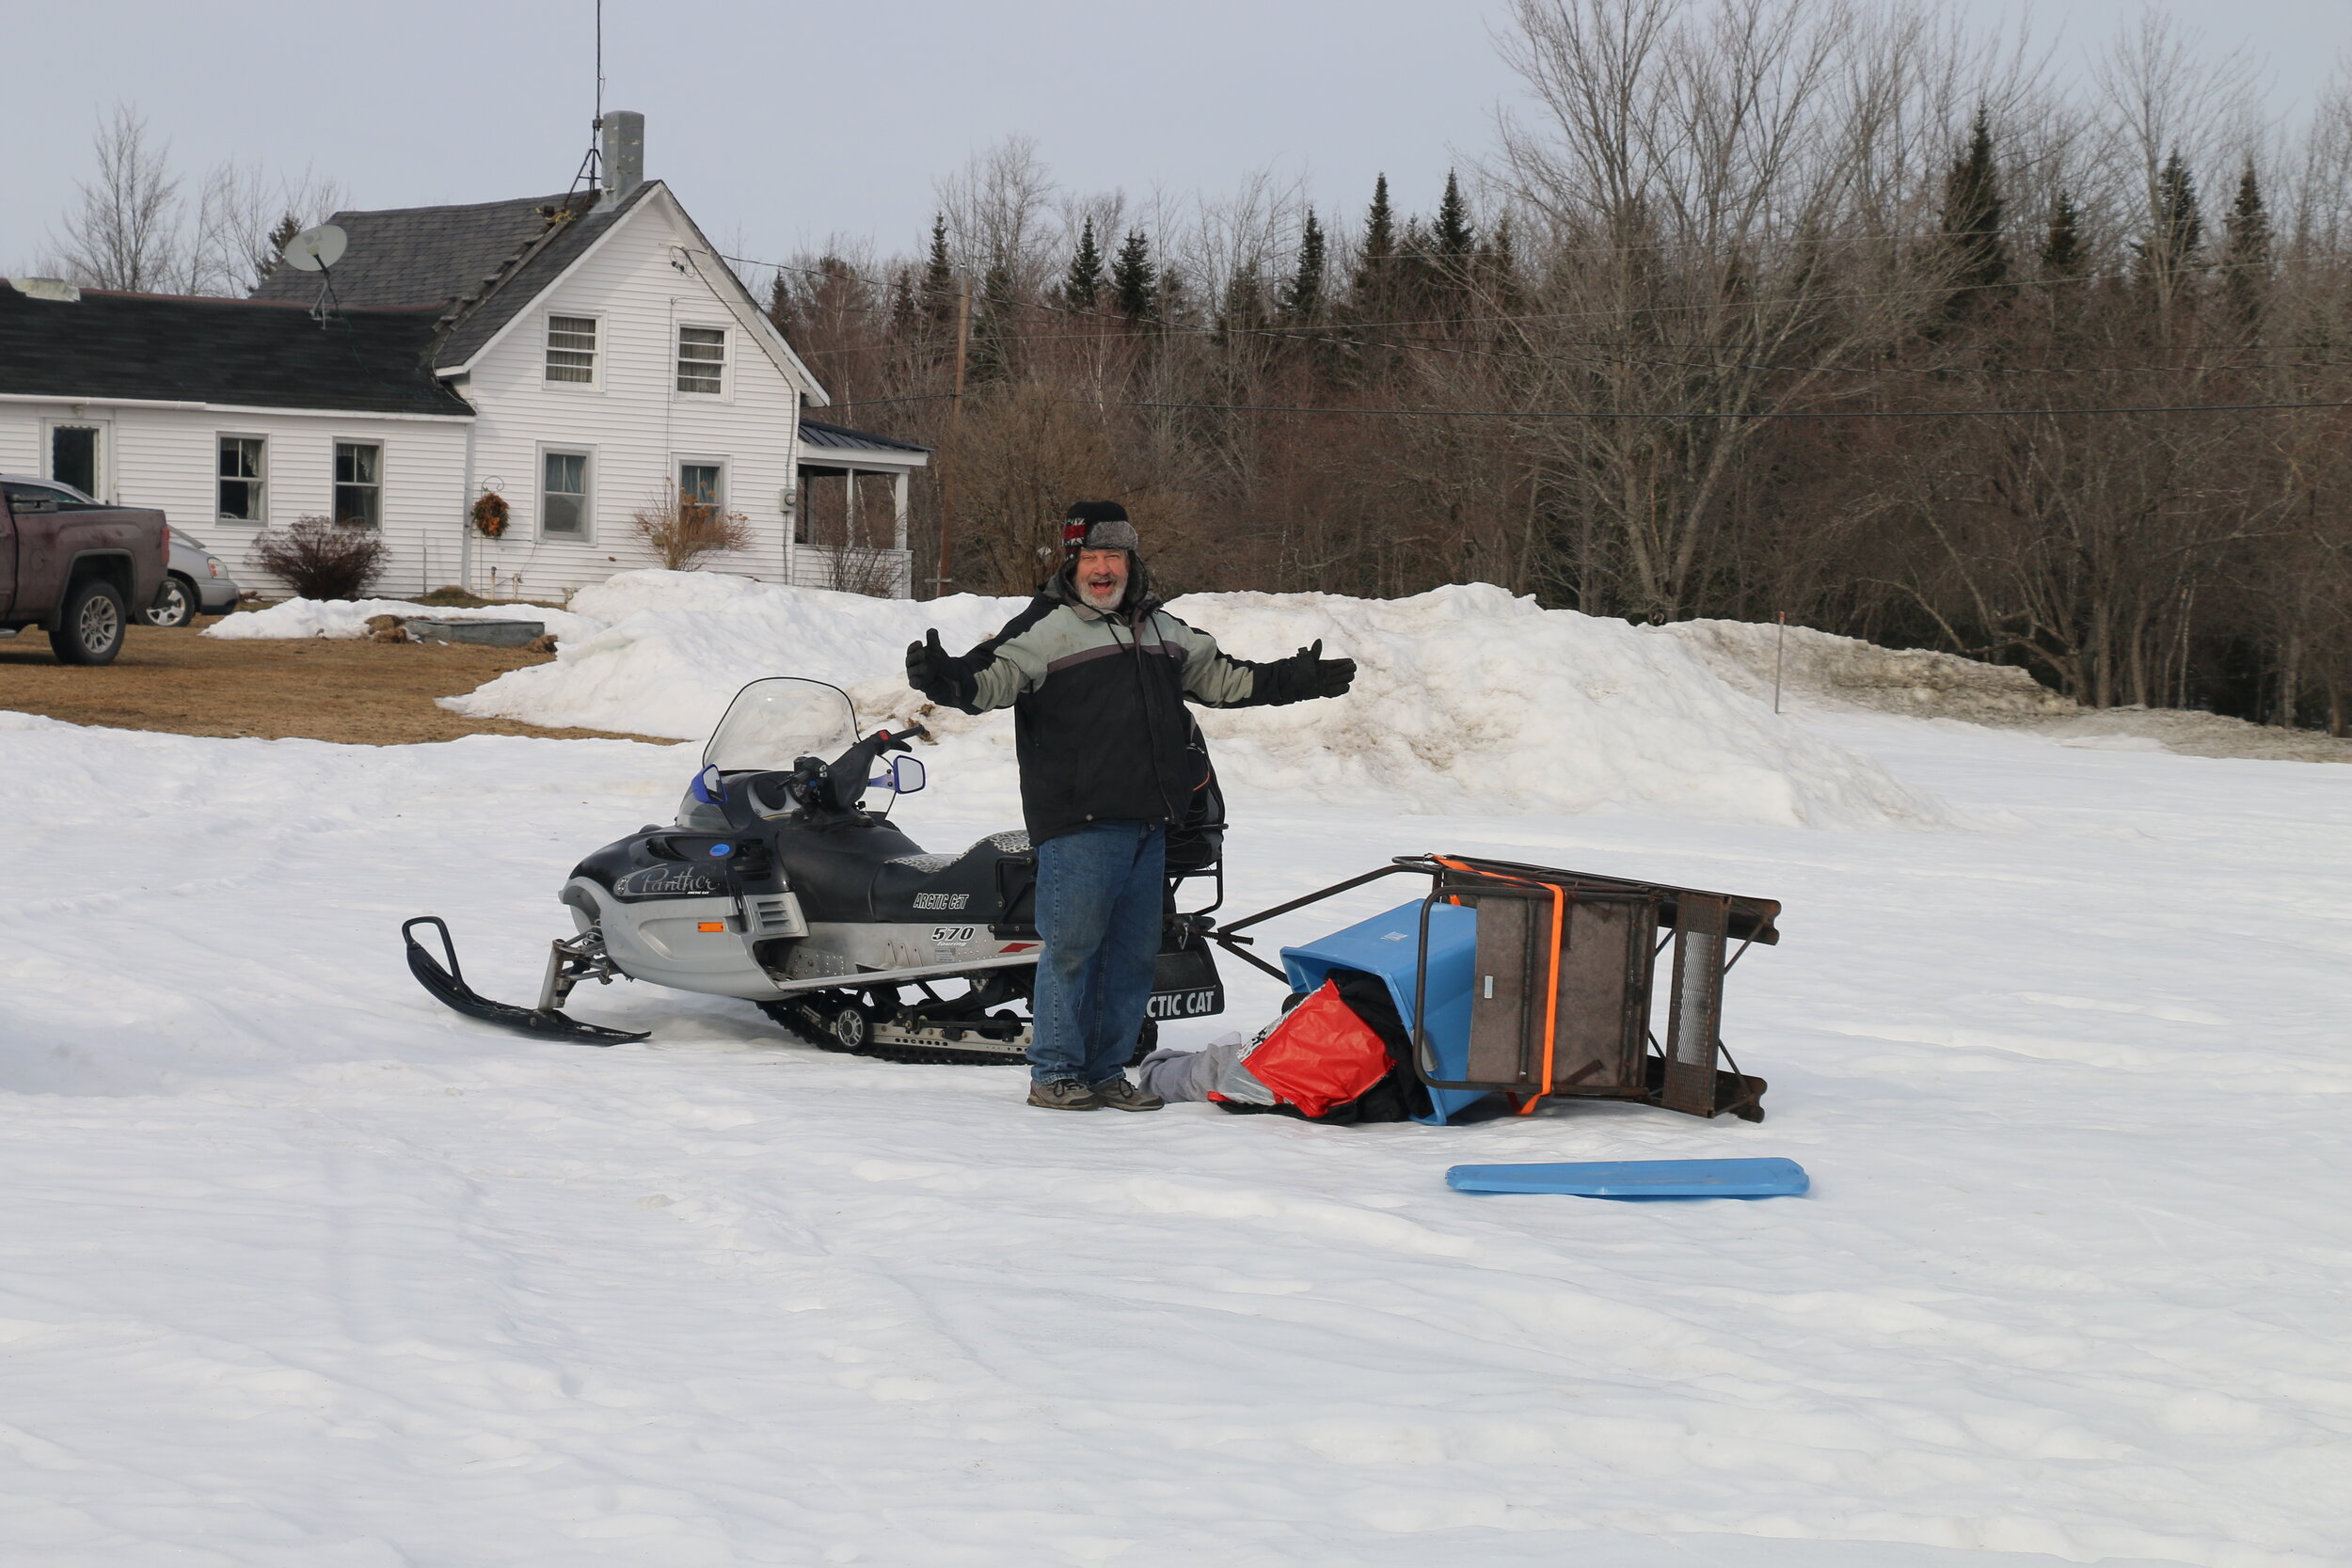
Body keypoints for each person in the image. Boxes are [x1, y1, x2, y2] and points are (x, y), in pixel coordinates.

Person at [905, 501, 1356, 1112]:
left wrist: (1294, 679)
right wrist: (943, 678)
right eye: (1090, 556)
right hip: (1079, 825)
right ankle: (1055, 1073)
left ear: (1130, 560)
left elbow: (1225, 678)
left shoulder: (1161, 630)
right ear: (1072, 561)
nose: (1101, 568)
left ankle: (1108, 1070)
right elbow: (989, 681)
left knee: (1132, 956)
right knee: (1073, 950)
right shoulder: (1047, 628)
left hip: (1148, 824)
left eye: (1112, 555)